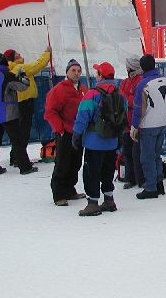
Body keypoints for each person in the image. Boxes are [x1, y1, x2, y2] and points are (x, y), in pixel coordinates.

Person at [72, 62, 127, 216]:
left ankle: (92, 203)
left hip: (94, 142)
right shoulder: (120, 94)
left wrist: (76, 135)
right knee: (108, 170)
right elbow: (124, 116)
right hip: (112, 141)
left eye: (97, 73)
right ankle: (109, 199)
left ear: (101, 76)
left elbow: (82, 116)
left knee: (91, 172)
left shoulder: (92, 94)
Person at [0, 52, 37, 176]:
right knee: (17, 140)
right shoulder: (8, 75)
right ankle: (25, 167)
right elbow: (22, 87)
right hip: (8, 114)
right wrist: (22, 76)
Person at [44, 59, 87, 206]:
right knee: (63, 162)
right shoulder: (59, 89)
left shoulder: (83, 88)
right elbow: (50, 111)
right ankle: (59, 193)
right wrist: (60, 129)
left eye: (78, 70)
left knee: (75, 162)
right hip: (66, 131)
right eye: (73, 70)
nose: (76, 73)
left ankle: (69, 189)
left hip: (79, 131)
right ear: (67, 72)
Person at [130, 55, 166, 199]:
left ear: (142, 68)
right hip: (163, 121)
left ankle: (150, 187)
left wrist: (134, 126)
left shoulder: (143, 85)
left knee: (147, 156)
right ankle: (159, 183)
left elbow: (138, 108)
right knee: (156, 155)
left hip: (149, 124)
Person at [5, 46, 51, 167]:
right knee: (24, 131)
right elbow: (37, 65)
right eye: (16, 54)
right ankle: (19, 158)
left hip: (19, 102)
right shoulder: (19, 68)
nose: (20, 54)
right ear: (12, 58)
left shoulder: (11, 69)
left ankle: (15, 156)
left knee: (20, 130)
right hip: (25, 102)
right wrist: (47, 53)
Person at [119, 57, 145, 189]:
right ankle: (130, 178)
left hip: (137, 123)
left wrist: (126, 97)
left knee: (136, 153)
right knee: (127, 152)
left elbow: (136, 101)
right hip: (126, 122)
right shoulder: (125, 81)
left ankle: (140, 178)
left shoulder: (140, 81)